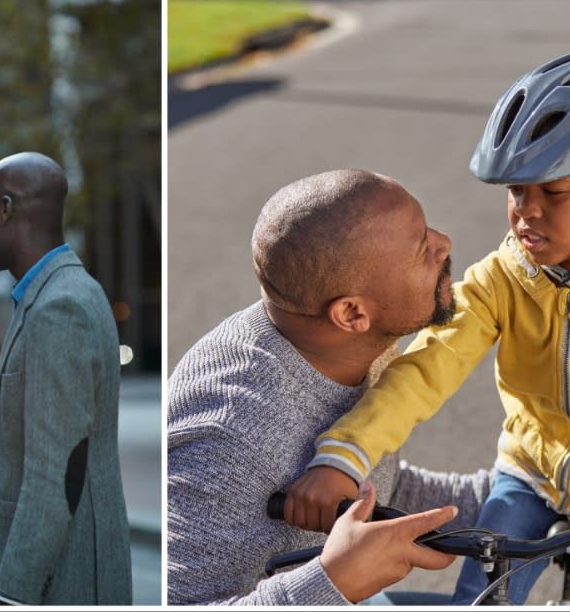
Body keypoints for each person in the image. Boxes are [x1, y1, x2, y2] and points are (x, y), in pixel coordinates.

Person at [285, 51, 570, 605]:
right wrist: (344, 454)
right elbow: (427, 365)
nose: (527, 211)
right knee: (477, 601)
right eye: (517, 192)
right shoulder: (502, 277)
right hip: (531, 476)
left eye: (552, 193)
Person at [167, 168, 493, 606]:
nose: (444, 243)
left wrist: (511, 494)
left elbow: (376, 484)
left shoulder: (347, 343)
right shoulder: (232, 437)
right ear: (352, 314)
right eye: (421, 248)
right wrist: (334, 578)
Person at [0, 152, 132, 605]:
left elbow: (57, 470)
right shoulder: (54, 294)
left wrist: (12, 595)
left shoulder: (60, 308)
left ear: (7, 209)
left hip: (57, 582)